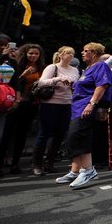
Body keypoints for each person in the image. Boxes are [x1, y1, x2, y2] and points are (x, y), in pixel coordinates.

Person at [55, 42, 112, 189]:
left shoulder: (101, 65)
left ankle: (88, 170)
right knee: (72, 137)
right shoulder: (87, 69)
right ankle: (75, 171)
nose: (82, 53)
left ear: (94, 53)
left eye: (86, 51)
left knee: (79, 136)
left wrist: (91, 104)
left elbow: (102, 86)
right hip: (76, 108)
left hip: (86, 107)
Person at [0, 43, 46, 175]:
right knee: (7, 134)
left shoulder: (41, 67)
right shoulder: (16, 65)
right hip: (15, 103)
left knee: (22, 135)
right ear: (25, 54)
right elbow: (11, 83)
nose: (33, 56)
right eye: (31, 53)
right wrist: (23, 75)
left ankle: (15, 164)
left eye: (36, 53)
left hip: (32, 104)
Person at [32, 46, 79, 175]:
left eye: (72, 54)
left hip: (66, 104)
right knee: (44, 133)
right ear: (60, 55)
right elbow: (41, 83)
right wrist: (57, 79)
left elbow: (76, 86)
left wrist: (73, 85)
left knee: (60, 134)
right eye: (68, 53)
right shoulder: (52, 67)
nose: (71, 56)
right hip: (50, 104)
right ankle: (36, 164)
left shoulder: (75, 70)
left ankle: (49, 162)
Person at [0, 33, 20, 185]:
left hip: (0, 103)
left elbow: (15, 82)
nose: (2, 47)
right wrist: (2, 58)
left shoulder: (12, 62)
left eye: (5, 45)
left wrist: (15, 99)